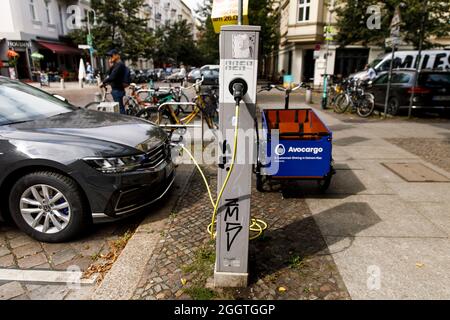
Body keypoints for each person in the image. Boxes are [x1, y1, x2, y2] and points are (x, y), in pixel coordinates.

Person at [101, 49, 127, 114]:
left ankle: (125, 123)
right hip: (116, 89)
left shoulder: (119, 65)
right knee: (120, 108)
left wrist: (103, 82)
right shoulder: (116, 65)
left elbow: (112, 76)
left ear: (117, 55)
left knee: (120, 109)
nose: (110, 58)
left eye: (111, 56)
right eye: (109, 56)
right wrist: (111, 64)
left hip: (118, 90)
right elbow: (109, 73)